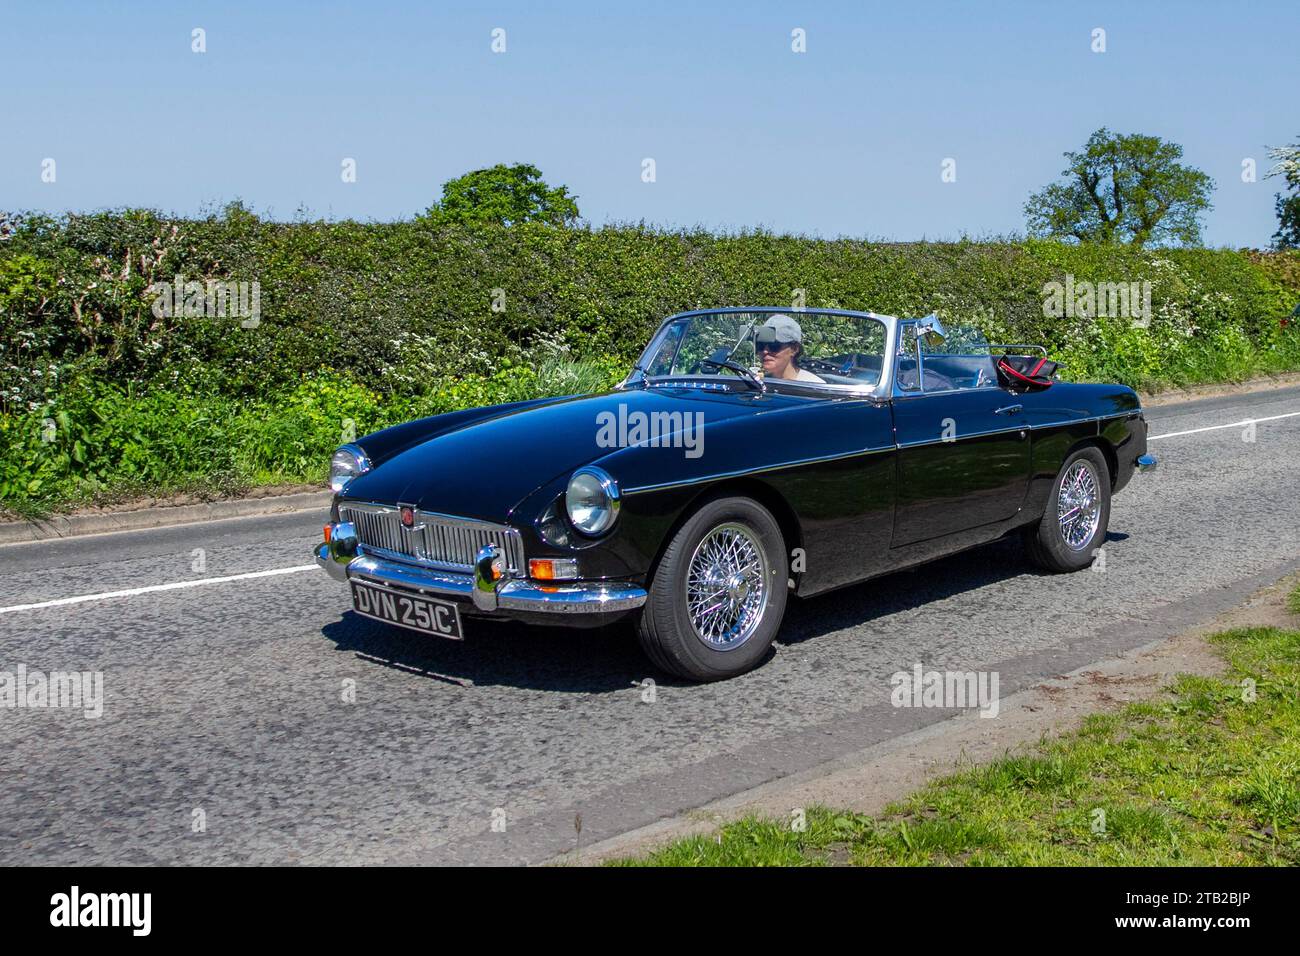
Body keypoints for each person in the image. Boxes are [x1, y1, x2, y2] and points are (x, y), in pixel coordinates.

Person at [754, 314, 824, 383]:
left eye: (774, 346)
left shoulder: (815, 386)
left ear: (794, 349)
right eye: (760, 345)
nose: (765, 351)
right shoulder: (759, 383)